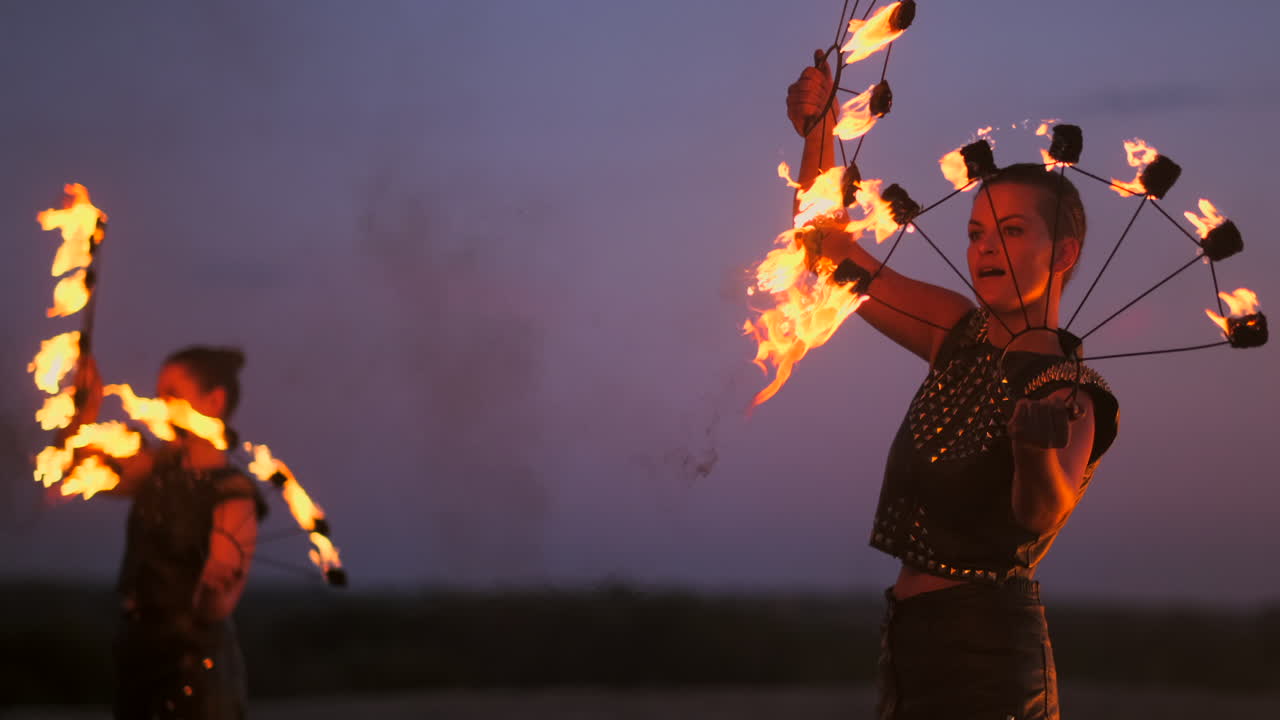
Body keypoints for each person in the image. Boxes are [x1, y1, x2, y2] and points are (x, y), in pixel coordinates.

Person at [786, 54, 1120, 719]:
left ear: (1064, 254)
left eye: (1011, 231)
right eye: (975, 234)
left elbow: (1040, 514)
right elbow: (826, 251)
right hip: (910, 649)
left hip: (990, 665)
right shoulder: (955, 333)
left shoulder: (1072, 391)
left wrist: (1031, 449)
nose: (984, 249)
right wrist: (818, 133)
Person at [62, 346, 266, 720]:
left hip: (194, 669)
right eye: (158, 395)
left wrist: (215, 584)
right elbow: (72, 470)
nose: (157, 405)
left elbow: (217, 605)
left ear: (215, 401)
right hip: (139, 656)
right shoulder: (156, 468)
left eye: (171, 395)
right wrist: (84, 413)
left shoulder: (231, 493)